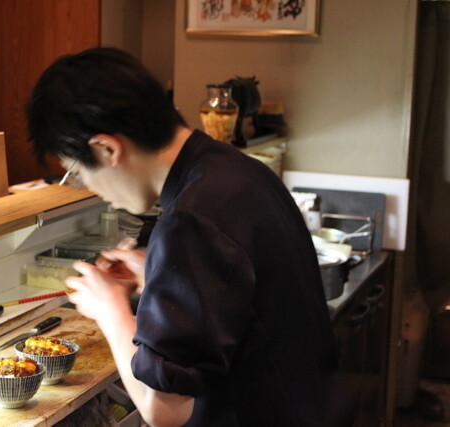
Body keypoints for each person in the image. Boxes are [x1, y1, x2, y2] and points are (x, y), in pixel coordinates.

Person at [27, 47, 339, 426]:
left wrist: (110, 308)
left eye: (77, 172)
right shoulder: (235, 169)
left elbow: (164, 409)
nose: (90, 188)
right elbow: (241, 296)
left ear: (106, 148)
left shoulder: (190, 221)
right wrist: (159, 274)